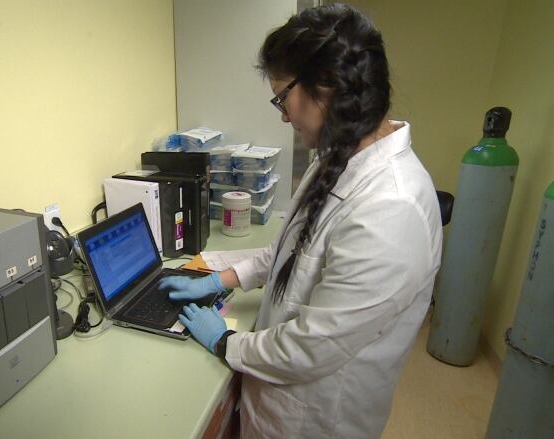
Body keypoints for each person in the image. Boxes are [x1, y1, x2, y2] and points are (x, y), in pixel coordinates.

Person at [159, 3, 443, 438]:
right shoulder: (336, 157)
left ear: (325, 86)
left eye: (281, 96)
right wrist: (222, 278)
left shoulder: (391, 209)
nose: (282, 115)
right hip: (275, 404)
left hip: (314, 421)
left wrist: (225, 341)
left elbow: (312, 347)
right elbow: (290, 251)